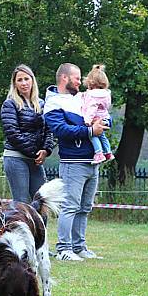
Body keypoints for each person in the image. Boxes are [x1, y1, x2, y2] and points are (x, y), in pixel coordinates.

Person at [44, 62, 105, 261]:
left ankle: (79, 247)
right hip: (73, 162)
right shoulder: (53, 103)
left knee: (85, 207)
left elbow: (100, 114)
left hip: (92, 161)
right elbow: (61, 130)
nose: (81, 82)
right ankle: (64, 249)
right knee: (70, 206)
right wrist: (89, 131)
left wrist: (104, 122)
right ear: (65, 78)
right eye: (77, 78)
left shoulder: (81, 98)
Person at [1, 64, 54, 204]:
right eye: (19, 80)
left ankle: (41, 227)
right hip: (15, 158)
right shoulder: (10, 104)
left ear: (32, 80)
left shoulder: (42, 104)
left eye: (26, 79)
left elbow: (49, 131)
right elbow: (13, 134)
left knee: (42, 201)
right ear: (14, 84)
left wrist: (45, 150)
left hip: (35, 159)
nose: (24, 83)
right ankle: (21, 227)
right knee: (22, 202)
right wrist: (35, 153)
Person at [81, 64, 113, 165]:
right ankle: (108, 152)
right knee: (102, 136)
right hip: (105, 118)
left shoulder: (92, 95)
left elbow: (92, 108)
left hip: (95, 119)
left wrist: (87, 120)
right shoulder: (106, 94)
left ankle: (98, 153)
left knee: (93, 135)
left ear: (90, 82)